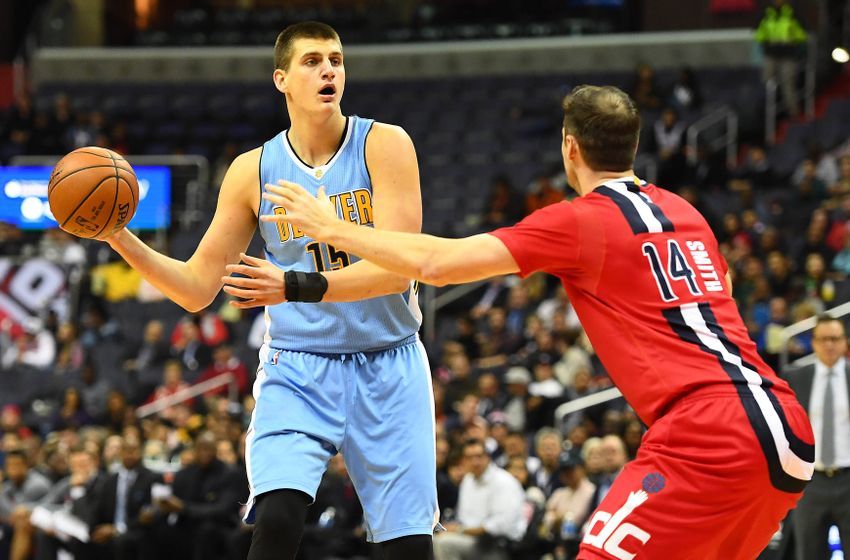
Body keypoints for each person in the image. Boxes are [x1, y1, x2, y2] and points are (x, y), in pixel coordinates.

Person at [269, 84, 816, 559]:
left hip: (708, 430)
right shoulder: (685, 211)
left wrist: (333, 228)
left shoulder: (580, 220)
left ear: (569, 147)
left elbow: (436, 265)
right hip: (782, 423)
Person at [97, 21, 436, 560]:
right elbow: (194, 288)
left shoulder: (385, 145)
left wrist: (292, 285)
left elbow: (401, 269)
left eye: (337, 59)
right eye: (312, 61)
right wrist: (116, 235)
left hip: (388, 363)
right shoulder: (252, 170)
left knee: (408, 548)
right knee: (276, 521)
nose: (329, 69)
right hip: (300, 365)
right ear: (281, 79)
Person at [782, 314, 850, 559]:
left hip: (848, 479)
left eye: (834, 339)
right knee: (808, 553)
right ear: (814, 343)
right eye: (823, 339)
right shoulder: (794, 377)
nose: (829, 345)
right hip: (809, 484)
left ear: (845, 342)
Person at [434, 439, 527, 560]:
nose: (475, 462)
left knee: (444, 544)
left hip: (499, 546)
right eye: (469, 457)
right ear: (464, 460)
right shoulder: (468, 481)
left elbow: (500, 526)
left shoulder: (504, 482)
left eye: (479, 456)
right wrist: (454, 528)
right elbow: (463, 518)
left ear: (487, 457)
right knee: (434, 540)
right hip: (473, 540)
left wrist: (460, 530)